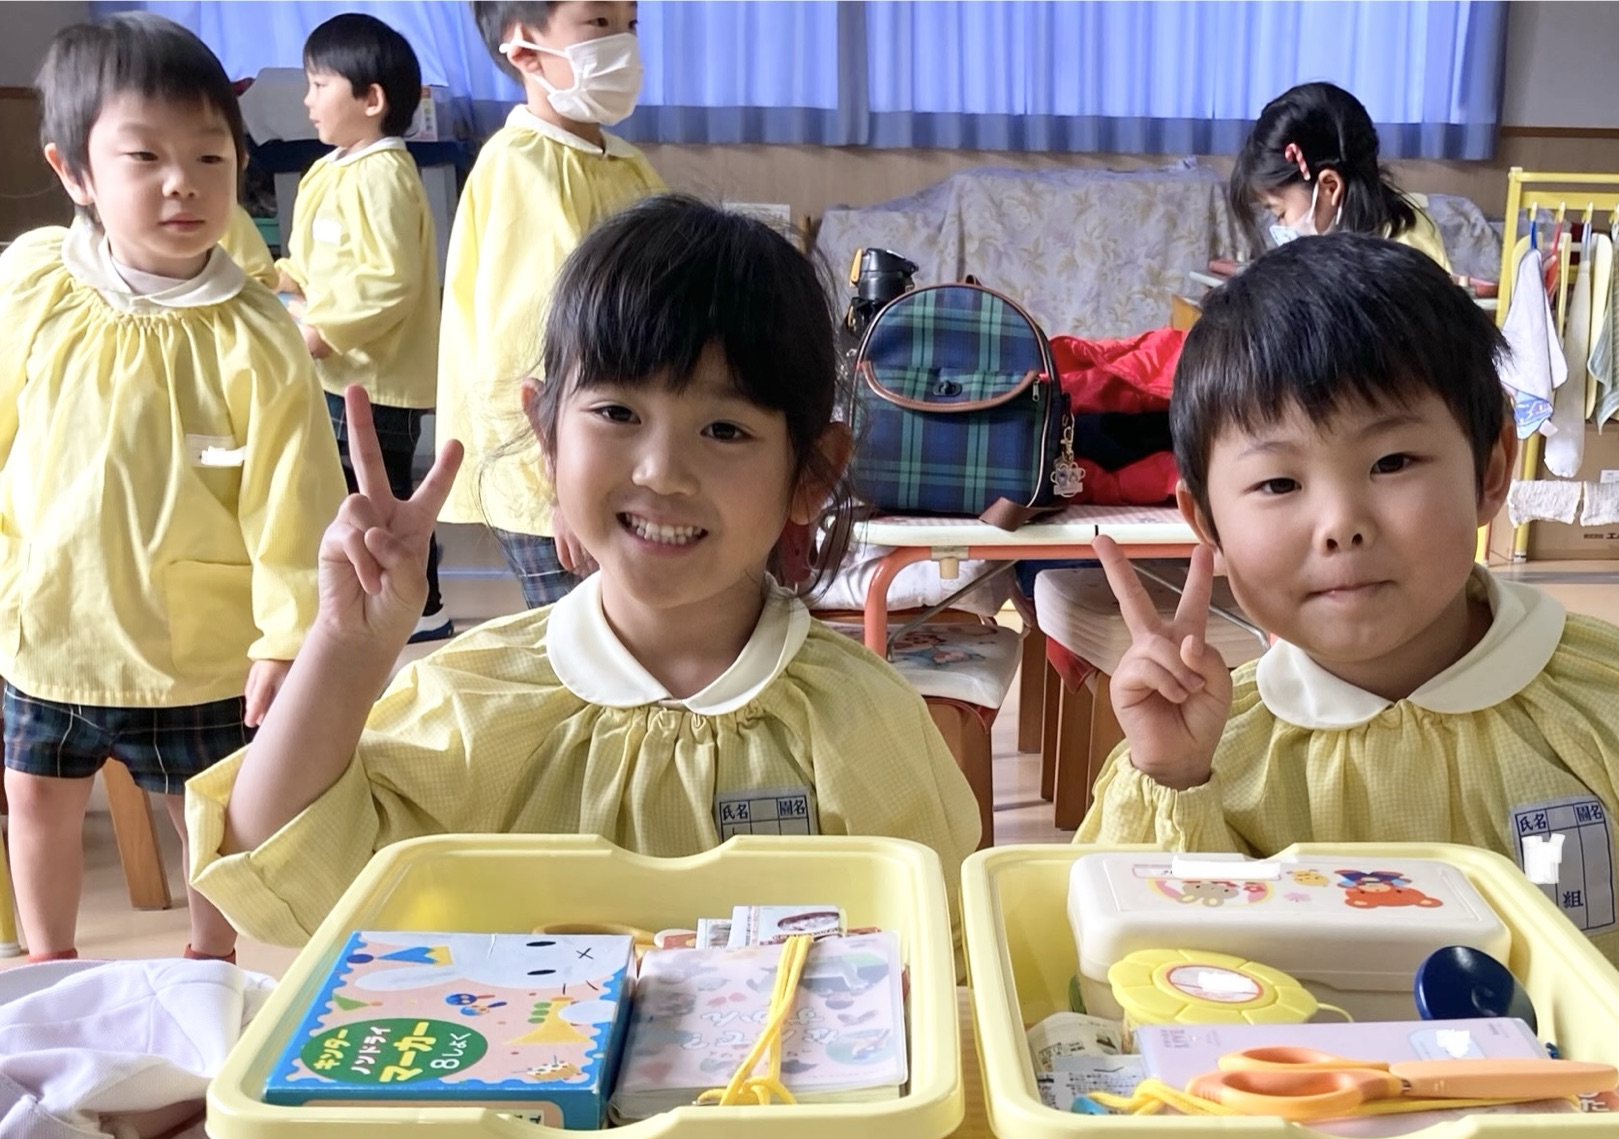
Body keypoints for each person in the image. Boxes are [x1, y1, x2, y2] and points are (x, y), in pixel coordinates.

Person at [187, 196, 982, 947]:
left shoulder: (859, 720)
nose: (664, 471)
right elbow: (283, 868)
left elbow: (936, 957)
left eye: (725, 428)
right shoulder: (484, 699)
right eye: (618, 413)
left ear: (810, 473)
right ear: (547, 435)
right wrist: (343, 650)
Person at [1077, 236, 1619, 984]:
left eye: (1391, 463)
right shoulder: (1218, 748)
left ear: (1491, 469)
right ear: (1207, 524)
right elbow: (1132, 982)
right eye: (1277, 483)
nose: (1340, 523)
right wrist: (1172, 777)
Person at [0, 14, 344, 963]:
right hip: (50, 625)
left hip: (196, 640)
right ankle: (48, 961)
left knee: (210, 817)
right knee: (33, 795)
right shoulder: (34, 284)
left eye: (209, 155)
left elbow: (295, 499)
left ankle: (210, 960)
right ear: (75, 173)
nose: (182, 182)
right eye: (143, 156)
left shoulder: (255, 332)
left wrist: (285, 640)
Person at [436, 1, 663, 609]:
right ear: (526, 50)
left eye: (629, 25)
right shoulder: (522, 165)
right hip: (555, 476)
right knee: (582, 648)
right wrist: (559, 489)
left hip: (615, 457)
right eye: (598, 24)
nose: (622, 43)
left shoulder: (625, 164)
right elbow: (530, 348)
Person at [277, 11, 450, 644]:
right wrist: (280, 278)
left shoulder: (383, 175)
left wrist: (323, 330)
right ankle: (380, 592)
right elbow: (312, 258)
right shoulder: (332, 168)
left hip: (376, 381)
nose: (307, 99)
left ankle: (422, 606)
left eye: (319, 85)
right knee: (352, 492)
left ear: (370, 99)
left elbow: (388, 281)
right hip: (339, 374)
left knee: (386, 497)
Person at [1222, 82, 1450, 272]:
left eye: (1280, 213)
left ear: (1330, 186)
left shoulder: (1406, 257)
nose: (1279, 225)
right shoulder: (1338, 242)